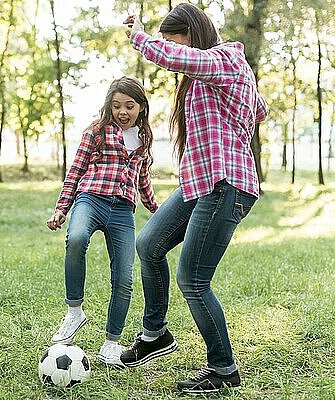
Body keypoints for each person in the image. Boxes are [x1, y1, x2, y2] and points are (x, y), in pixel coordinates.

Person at [121, 4, 268, 394]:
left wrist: (141, 36)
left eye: (174, 40)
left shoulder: (225, 58)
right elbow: (261, 110)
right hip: (199, 183)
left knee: (193, 279)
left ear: (193, 34)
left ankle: (224, 370)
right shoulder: (210, 74)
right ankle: (155, 335)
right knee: (149, 244)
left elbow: (175, 58)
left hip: (226, 184)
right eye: (166, 42)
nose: (171, 50)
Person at [46, 76, 158, 367]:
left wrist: (156, 209)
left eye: (130, 106)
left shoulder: (144, 137)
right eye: (117, 105)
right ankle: (74, 312)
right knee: (77, 238)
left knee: (124, 277)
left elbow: (142, 178)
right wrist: (62, 208)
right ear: (109, 105)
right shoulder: (96, 130)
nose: (123, 111)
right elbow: (76, 170)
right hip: (90, 198)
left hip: (123, 210)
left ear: (141, 107)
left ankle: (111, 343)